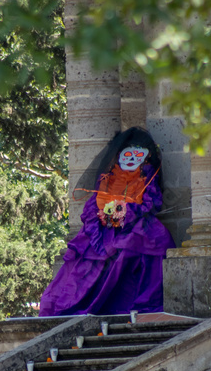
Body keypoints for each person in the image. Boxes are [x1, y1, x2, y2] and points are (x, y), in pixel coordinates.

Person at [39, 127, 175, 316]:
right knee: (94, 255)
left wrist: (127, 213)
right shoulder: (107, 178)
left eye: (137, 155)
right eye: (127, 154)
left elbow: (151, 202)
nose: (132, 159)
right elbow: (94, 204)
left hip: (136, 224)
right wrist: (105, 216)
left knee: (147, 242)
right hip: (104, 227)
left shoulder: (147, 176)